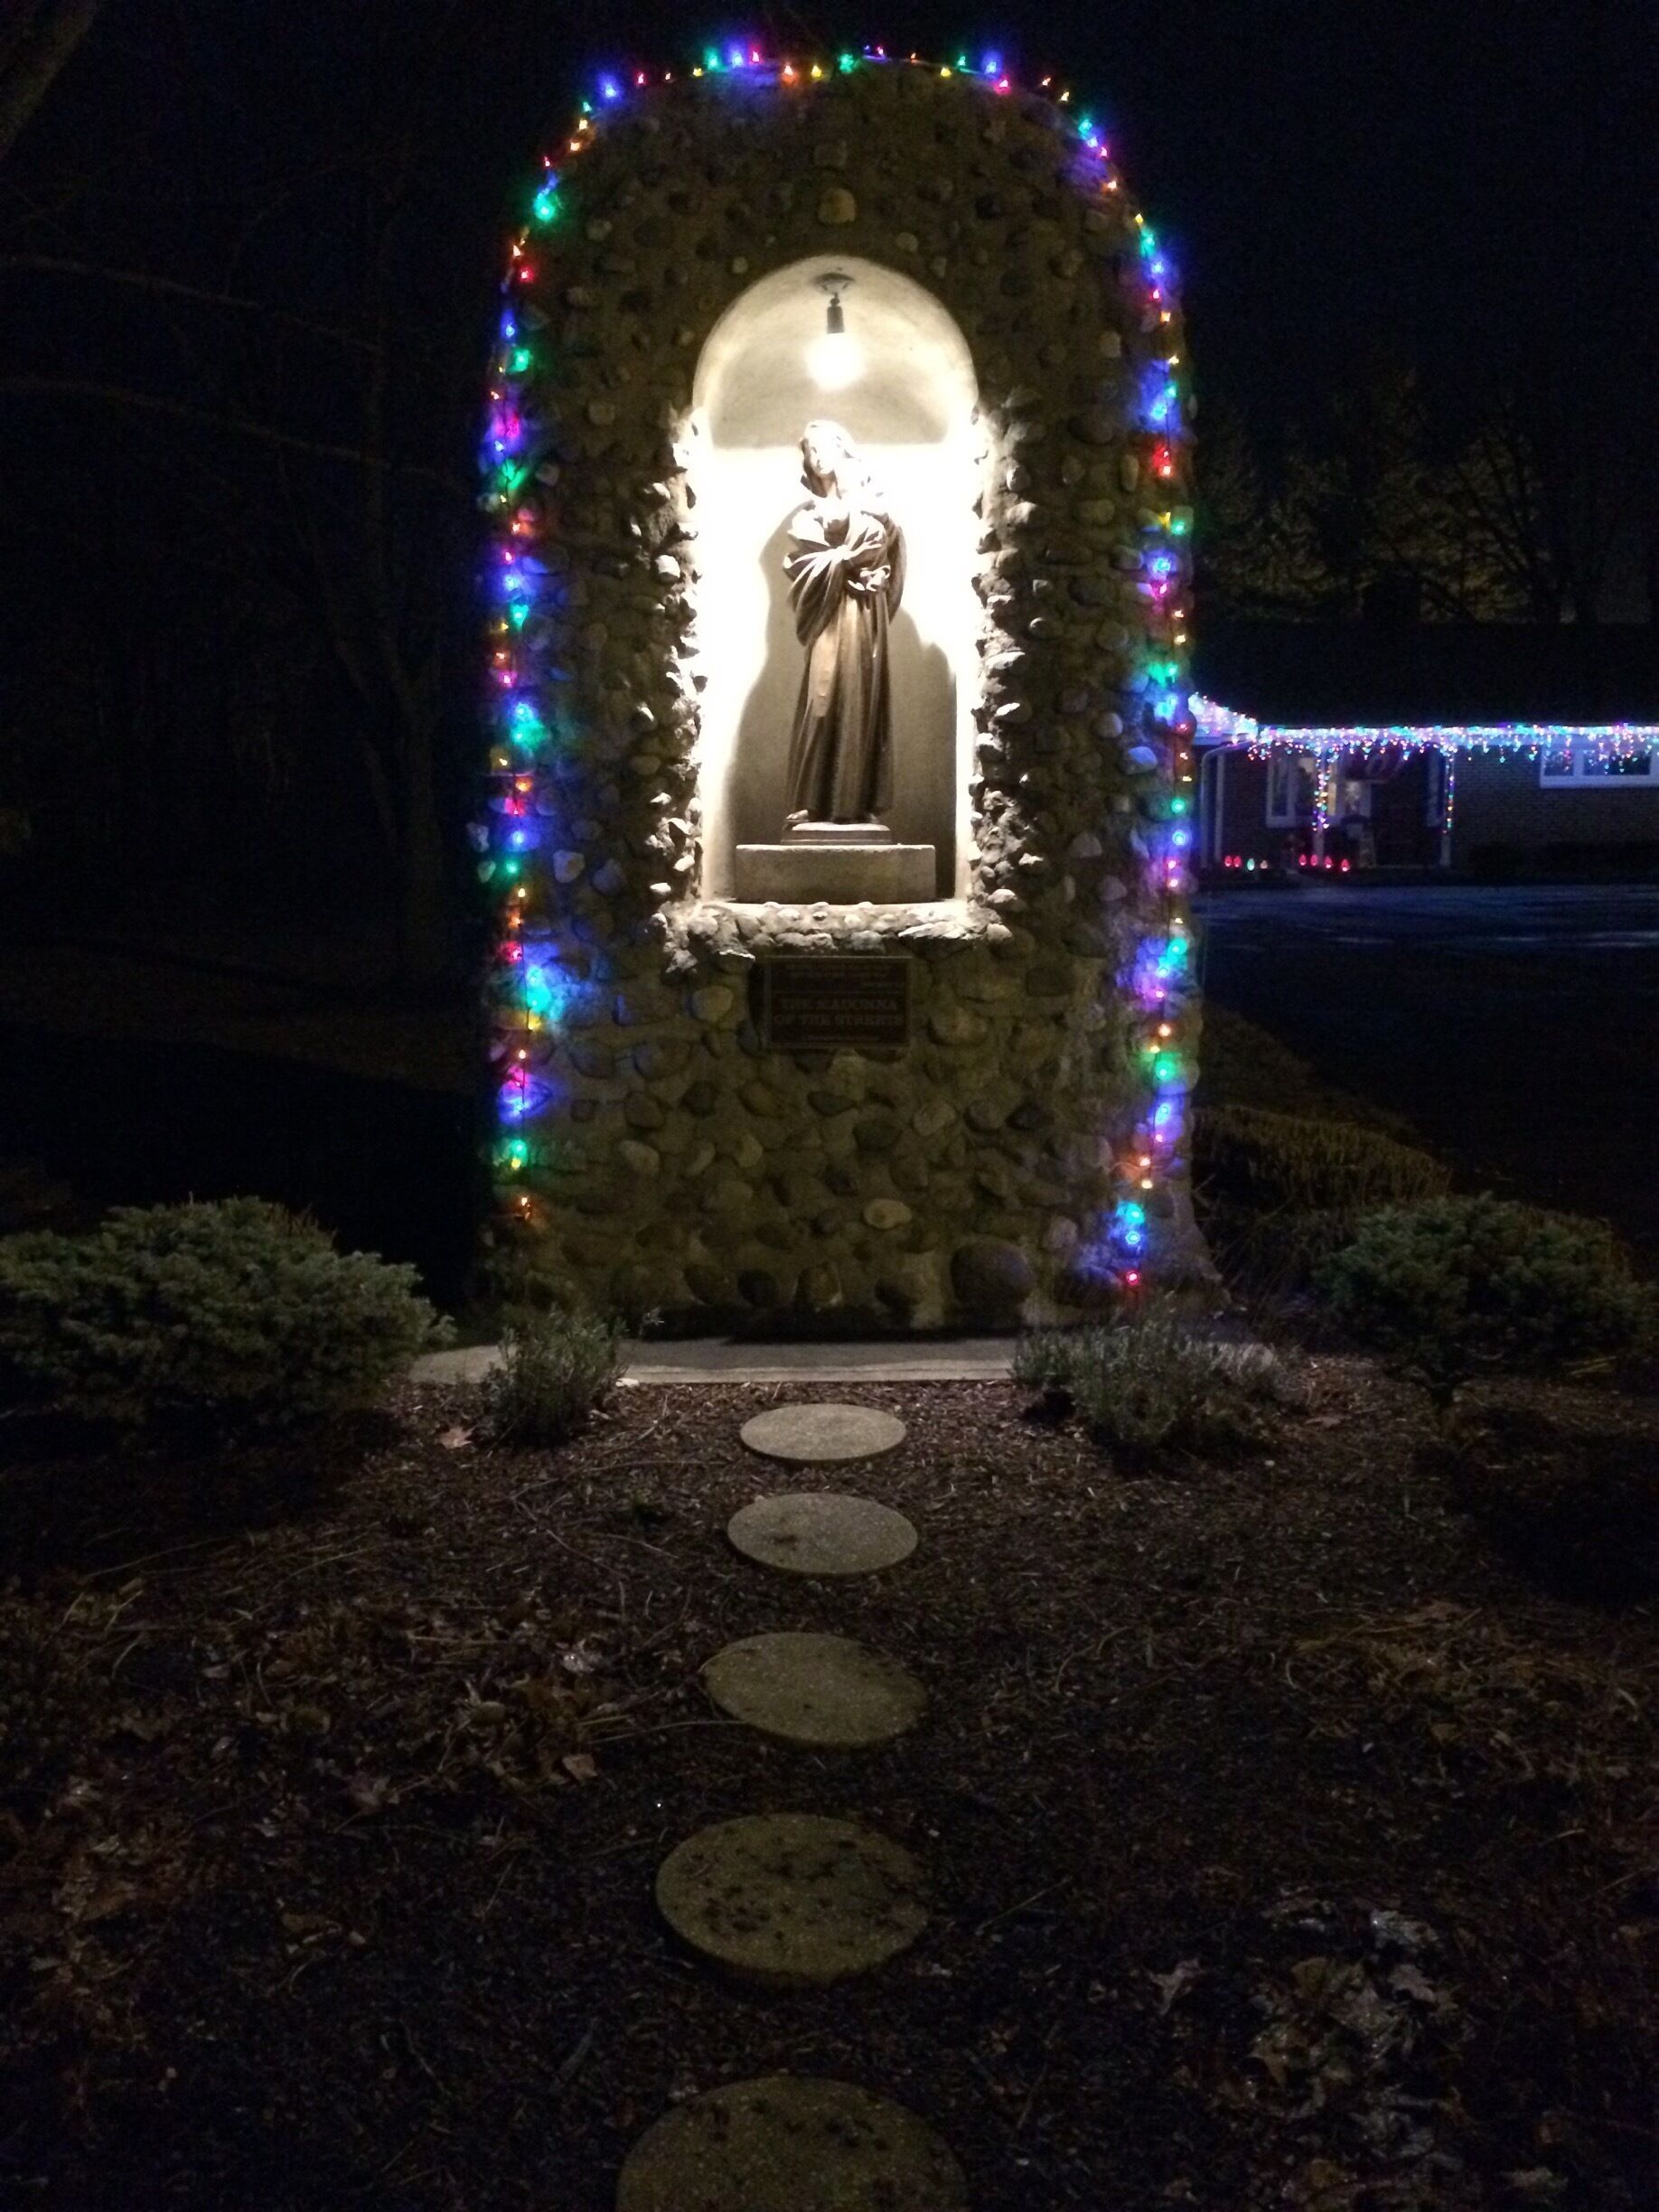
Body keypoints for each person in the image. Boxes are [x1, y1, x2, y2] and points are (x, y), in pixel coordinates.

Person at [781, 419, 905, 829]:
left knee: (860, 701)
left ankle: (857, 802)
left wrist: (875, 562)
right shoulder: (810, 515)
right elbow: (803, 564)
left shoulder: (875, 504)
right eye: (810, 451)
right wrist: (846, 561)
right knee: (822, 701)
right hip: (830, 612)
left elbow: (891, 553)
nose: (818, 457)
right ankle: (812, 801)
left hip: (866, 613)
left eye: (824, 447)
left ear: (842, 448)